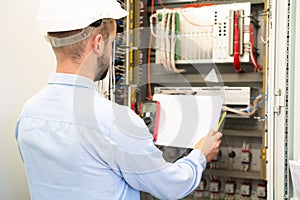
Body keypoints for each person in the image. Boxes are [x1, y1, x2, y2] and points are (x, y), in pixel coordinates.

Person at [15, 0, 222, 199]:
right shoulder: (113, 121)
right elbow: (171, 186)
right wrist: (200, 155)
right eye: (112, 43)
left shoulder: (29, 113)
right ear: (97, 43)